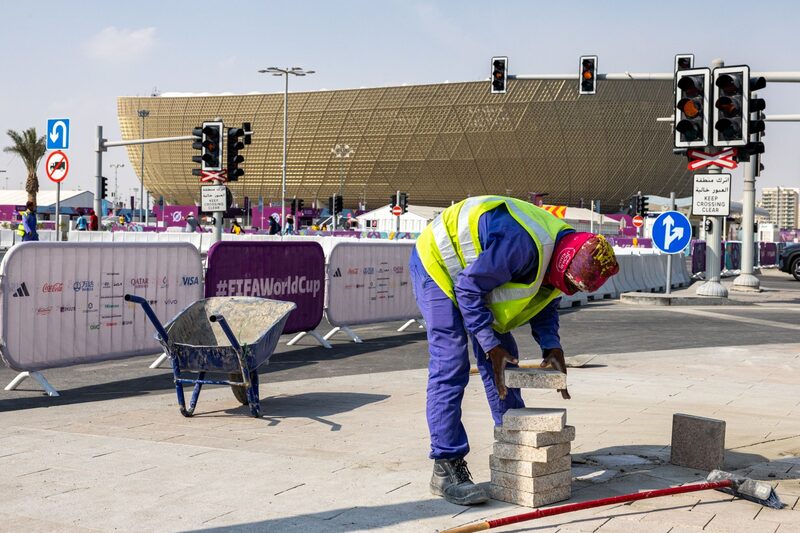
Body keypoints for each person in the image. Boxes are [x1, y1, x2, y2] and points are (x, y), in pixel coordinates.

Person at [410, 195, 619, 506]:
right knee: (451, 362)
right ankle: (446, 466)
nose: (566, 290)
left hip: (479, 273)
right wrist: (488, 343)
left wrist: (551, 344)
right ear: (561, 262)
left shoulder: (566, 247)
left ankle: (515, 443)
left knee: (504, 363)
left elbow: (547, 295)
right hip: (438, 264)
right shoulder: (521, 245)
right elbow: (467, 288)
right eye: (568, 284)